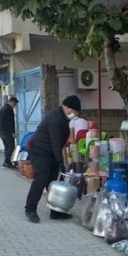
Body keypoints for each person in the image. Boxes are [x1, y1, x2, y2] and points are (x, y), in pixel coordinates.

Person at [24, 95, 81, 223]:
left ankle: (55, 211)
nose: (74, 114)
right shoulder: (55, 119)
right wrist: (60, 162)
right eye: (73, 111)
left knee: (53, 181)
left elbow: (60, 142)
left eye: (77, 112)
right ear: (65, 107)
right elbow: (55, 143)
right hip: (39, 150)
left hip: (50, 151)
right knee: (42, 178)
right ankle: (30, 209)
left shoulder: (63, 117)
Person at [0, 96, 19, 169]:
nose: (14, 106)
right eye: (14, 104)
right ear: (12, 102)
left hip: (2, 131)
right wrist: (12, 132)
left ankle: (8, 162)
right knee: (11, 147)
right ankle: (6, 162)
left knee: (7, 147)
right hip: (7, 132)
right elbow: (10, 123)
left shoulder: (3, 109)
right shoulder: (9, 110)